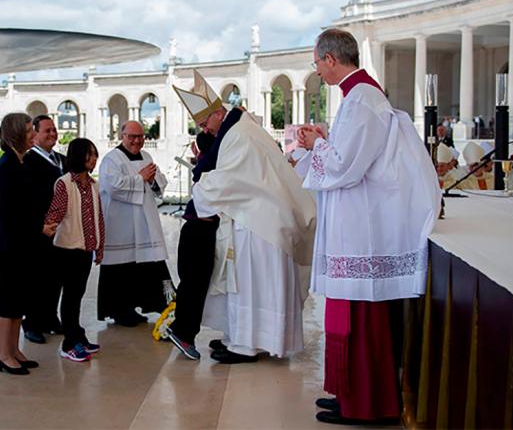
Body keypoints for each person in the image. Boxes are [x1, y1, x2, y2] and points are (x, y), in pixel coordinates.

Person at [295, 29, 441, 425]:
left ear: (329, 59)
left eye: (316, 62)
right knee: (350, 316)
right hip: (353, 225)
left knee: (362, 320)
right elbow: (350, 155)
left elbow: (344, 165)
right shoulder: (356, 96)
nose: (318, 70)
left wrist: (314, 147)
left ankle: (368, 404)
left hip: (360, 230)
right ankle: (349, 395)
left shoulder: (362, 98)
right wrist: (324, 139)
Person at [182, 73, 317, 364]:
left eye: (206, 123)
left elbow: (229, 179)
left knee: (251, 283)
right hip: (258, 217)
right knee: (247, 284)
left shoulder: (240, 134)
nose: (205, 130)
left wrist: (200, 190)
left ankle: (247, 345)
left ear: (219, 113)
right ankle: (242, 338)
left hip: (260, 224)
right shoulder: (240, 127)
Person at [164, 70, 244, 360]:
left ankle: (185, 331)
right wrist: (236, 116)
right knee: (195, 283)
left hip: (198, 230)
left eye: (204, 123)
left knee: (196, 283)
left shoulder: (219, 147)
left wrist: (234, 116)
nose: (205, 129)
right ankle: (183, 333)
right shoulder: (211, 160)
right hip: (198, 230)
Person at [97, 121, 173, 327]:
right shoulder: (111, 159)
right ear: (122, 135)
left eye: (140, 137)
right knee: (121, 269)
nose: (137, 141)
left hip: (144, 222)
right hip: (120, 224)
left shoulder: (146, 156)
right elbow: (113, 187)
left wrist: (152, 180)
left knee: (148, 263)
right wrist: (140, 179)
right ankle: (120, 310)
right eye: (132, 136)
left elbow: (158, 180)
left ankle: (147, 305)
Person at [0, 113, 38, 376]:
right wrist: (37, 227)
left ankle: (13, 350)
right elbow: (12, 213)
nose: (33, 133)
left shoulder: (19, 162)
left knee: (17, 299)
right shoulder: (6, 167)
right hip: (6, 245)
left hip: (18, 243)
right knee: (7, 299)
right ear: (17, 133)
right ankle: (3, 354)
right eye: (29, 129)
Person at [44, 138, 105, 362]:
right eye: (90, 154)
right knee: (69, 297)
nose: (94, 159)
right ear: (79, 156)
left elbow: (99, 217)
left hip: (85, 250)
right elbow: (56, 211)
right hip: (67, 249)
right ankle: (69, 343)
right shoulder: (64, 183)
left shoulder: (94, 185)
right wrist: (46, 225)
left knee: (77, 295)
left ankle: (77, 336)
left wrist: (99, 246)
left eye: (95, 154)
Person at [21, 115, 67, 343]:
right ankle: (31, 323)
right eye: (47, 130)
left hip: (60, 228)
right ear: (35, 134)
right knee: (36, 277)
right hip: (39, 229)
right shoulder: (27, 162)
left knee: (55, 275)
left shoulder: (61, 160)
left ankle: (50, 317)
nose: (52, 134)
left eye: (54, 130)